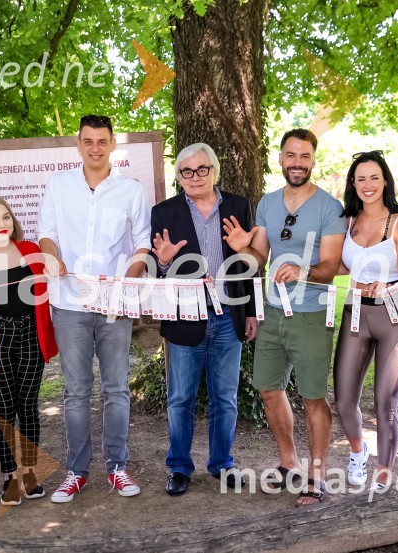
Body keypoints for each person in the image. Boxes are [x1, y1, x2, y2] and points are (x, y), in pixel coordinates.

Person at [223, 129, 346, 506]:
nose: (297, 163)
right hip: (274, 311)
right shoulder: (268, 203)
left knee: (312, 396)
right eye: (291, 155)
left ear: (313, 160)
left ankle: (317, 474)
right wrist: (241, 255)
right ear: (280, 158)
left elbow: (331, 265)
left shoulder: (329, 207)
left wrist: (302, 271)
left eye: (305, 156)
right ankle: (288, 463)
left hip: (311, 314)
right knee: (268, 388)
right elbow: (260, 256)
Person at [37, 114, 151, 502]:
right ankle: (76, 471)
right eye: (88, 141)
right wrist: (50, 257)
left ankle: (117, 467)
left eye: (102, 141)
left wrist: (129, 278)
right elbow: (46, 235)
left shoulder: (131, 191)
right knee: (76, 390)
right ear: (79, 144)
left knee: (116, 387)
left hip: (114, 304)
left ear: (112, 144)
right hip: (68, 301)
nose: (95, 147)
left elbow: (141, 243)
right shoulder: (58, 185)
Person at [149, 143, 258, 496]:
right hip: (185, 317)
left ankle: (222, 464)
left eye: (201, 169)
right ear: (178, 176)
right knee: (180, 397)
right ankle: (179, 467)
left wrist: (252, 311)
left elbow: (250, 265)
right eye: (186, 171)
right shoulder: (163, 212)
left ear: (214, 170)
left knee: (225, 397)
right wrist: (164, 264)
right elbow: (159, 269)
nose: (194, 178)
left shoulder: (239, 206)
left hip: (229, 315)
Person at [332, 150, 398, 490]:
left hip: (393, 317)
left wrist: (391, 283)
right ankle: (358, 451)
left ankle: (383, 474)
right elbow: (340, 266)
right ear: (353, 184)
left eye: (374, 177)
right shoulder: (347, 222)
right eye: (361, 178)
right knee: (343, 399)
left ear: (385, 181)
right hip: (355, 313)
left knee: (385, 402)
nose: (367, 185)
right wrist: (301, 270)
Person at [0, 196, 59, 505]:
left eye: (5, 217)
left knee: (29, 406)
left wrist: (56, 266)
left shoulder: (31, 252)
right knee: (5, 410)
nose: (1, 224)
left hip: (31, 335)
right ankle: (10, 476)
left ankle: (30, 471)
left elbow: (56, 271)